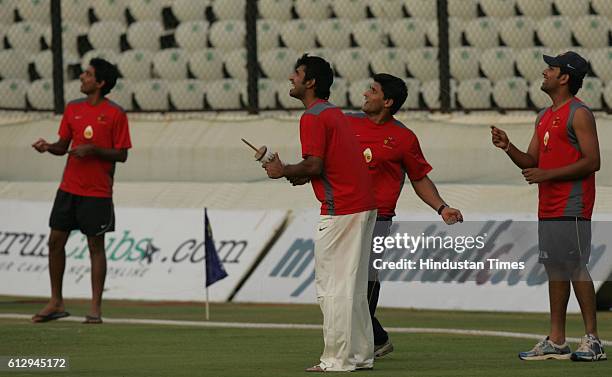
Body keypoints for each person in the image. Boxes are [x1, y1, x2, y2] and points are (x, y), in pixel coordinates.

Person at [263, 54, 378, 372]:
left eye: (297, 73)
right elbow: (319, 169)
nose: (291, 78)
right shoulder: (333, 113)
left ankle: (336, 359)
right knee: (352, 288)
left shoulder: (312, 116)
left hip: (342, 208)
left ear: (310, 82)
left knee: (332, 288)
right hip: (361, 204)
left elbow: (314, 165)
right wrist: (290, 172)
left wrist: (283, 169)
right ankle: (359, 354)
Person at [491, 51, 606, 362]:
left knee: (575, 266)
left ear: (565, 77)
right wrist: (508, 146)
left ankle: (593, 340)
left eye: (551, 68)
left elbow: (593, 161)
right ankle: (557, 339)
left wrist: (547, 175)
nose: (545, 72)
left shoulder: (578, 113)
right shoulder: (544, 115)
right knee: (555, 267)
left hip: (573, 205)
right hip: (549, 206)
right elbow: (531, 162)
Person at [345, 73, 463, 358]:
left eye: (372, 90)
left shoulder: (403, 137)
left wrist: (442, 207)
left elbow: (420, 178)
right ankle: (376, 337)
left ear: (387, 101)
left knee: (365, 278)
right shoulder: (347, 124)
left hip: (378, 217)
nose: (365, 93)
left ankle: (361, 340)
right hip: (344, 214)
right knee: (343, 281)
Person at [31, 58, 132, 325]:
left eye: (87, 75)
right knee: (55, 242)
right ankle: (56, 302)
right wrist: (47, 147)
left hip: (97, 192)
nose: (82, 78)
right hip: (69, 187)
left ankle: (95, 309)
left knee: (95, 247)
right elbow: (63, 145)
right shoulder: (72, 108)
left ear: (100, 83)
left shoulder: (116, 114)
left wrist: (94, 150)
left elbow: (121, 154)